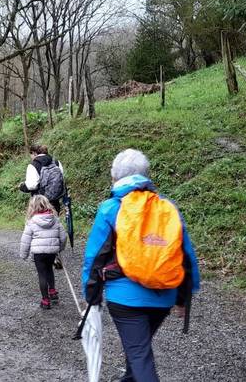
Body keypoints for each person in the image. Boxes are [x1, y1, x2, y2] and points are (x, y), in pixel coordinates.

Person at [81, 149, 200, 382]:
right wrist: (183, 299)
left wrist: (91, 295)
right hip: (163, 296)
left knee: (139, 354)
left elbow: (94, 258)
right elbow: (186, 256)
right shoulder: (168, 207)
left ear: (115, 177)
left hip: (125, 299)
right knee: (137, 348)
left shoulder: (110, 208)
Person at [19, 195, 67, 310]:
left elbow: (25, 240)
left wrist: (23, 254)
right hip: (51, 252)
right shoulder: (54, 219)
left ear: (33, 207)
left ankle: (45, 301)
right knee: (49, 269)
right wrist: (59, 248)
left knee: (42, 274)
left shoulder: (31, 221)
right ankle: (53, 291)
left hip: (38, 253)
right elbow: (63, 237)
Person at [20, 144, 64, 213]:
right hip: (55, 200)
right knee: (54, 221)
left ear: (34, 153)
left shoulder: (33, 165)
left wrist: (22, 187)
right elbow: (61, 178)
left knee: (40, 222)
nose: (31, 157)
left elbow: (32, 186)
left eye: (30, 154)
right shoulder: (56, 162)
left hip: (40, 202)